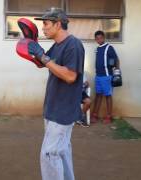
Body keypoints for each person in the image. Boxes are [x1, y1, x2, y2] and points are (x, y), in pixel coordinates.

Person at [25, 7, 85, 180]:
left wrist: (42, 57)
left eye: (46, 23)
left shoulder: (73, 45)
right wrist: (32, 46)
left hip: (63, 109)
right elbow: (43, 64)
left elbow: (70, 76)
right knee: (62, 151)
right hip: (54, 107)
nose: (43, 27)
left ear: (58, 24)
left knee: (49, 154)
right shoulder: (57, 45)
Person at [91, 30, 120, 124]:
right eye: (97, 38)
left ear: (104, 38)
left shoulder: (109, 48)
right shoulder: (97, 48)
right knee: (98, 95)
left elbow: (116, 60)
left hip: (107, 76)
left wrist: (116, 73)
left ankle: (108, 116)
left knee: (108, 96)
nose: (99, 39)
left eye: (100, 38)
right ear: (95, 39)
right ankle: (95, 114)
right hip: (98, 76)